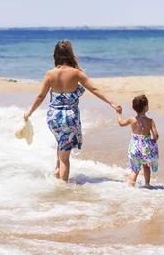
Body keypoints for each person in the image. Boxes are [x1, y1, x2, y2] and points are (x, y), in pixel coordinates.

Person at [24, 40, 122, 182]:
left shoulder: (50, 74)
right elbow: (94, 89)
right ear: (70, 54)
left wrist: (29, 112)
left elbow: (41, 96)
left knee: (61, 144)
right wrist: (112, 102)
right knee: (65, 158)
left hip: (53, 117)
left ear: (56, 55)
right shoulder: (77, 73)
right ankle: (62, 190)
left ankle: (57, 172)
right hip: (69, 118)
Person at [117, 94, 159, 187]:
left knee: (135, 170)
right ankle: (147, 184)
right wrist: (153, 141)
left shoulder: (131, 120)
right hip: (146, 148)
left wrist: (119, 113)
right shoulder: (150, 121)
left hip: (134, 147)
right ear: (146, 107)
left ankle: (131, 188)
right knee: (146, 166)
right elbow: (156, 135)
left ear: (133, 107)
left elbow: (121, 123)